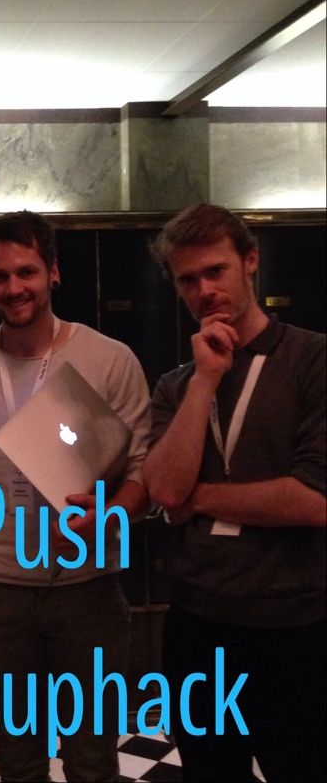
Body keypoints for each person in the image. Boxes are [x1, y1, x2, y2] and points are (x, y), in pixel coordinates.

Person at [0, 210, 150, 782]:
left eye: (27, 272)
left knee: (92, 759)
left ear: (53, 272)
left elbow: (143, 472)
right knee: (17, 761)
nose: (14, 287)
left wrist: (112, 514)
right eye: (0, 276)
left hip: (88, 589)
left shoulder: (110, 360)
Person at [143, 203, 326, 782]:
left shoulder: (313, 360)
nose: (204, 291)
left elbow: (312, 500)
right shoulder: (177, 384)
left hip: (294, 624)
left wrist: (198, 499)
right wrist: (205, 379)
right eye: (188, 280)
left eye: (215, 271)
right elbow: (164, 488)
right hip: (198, 624)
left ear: (250, 261)